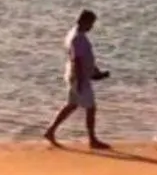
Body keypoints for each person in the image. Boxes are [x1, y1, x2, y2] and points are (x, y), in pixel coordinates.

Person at [45, 8, 112, 150]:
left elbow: (86, 58)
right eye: (90, 24)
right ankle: (92, 140)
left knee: (72, 105)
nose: (91, 27)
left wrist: (96, 72)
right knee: (91, 108)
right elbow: (78, 59)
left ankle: (50, 131)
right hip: (78, 77)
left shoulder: (75, 34)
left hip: (76, 75)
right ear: (83, 21)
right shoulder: (78, 38)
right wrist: (82, 80)